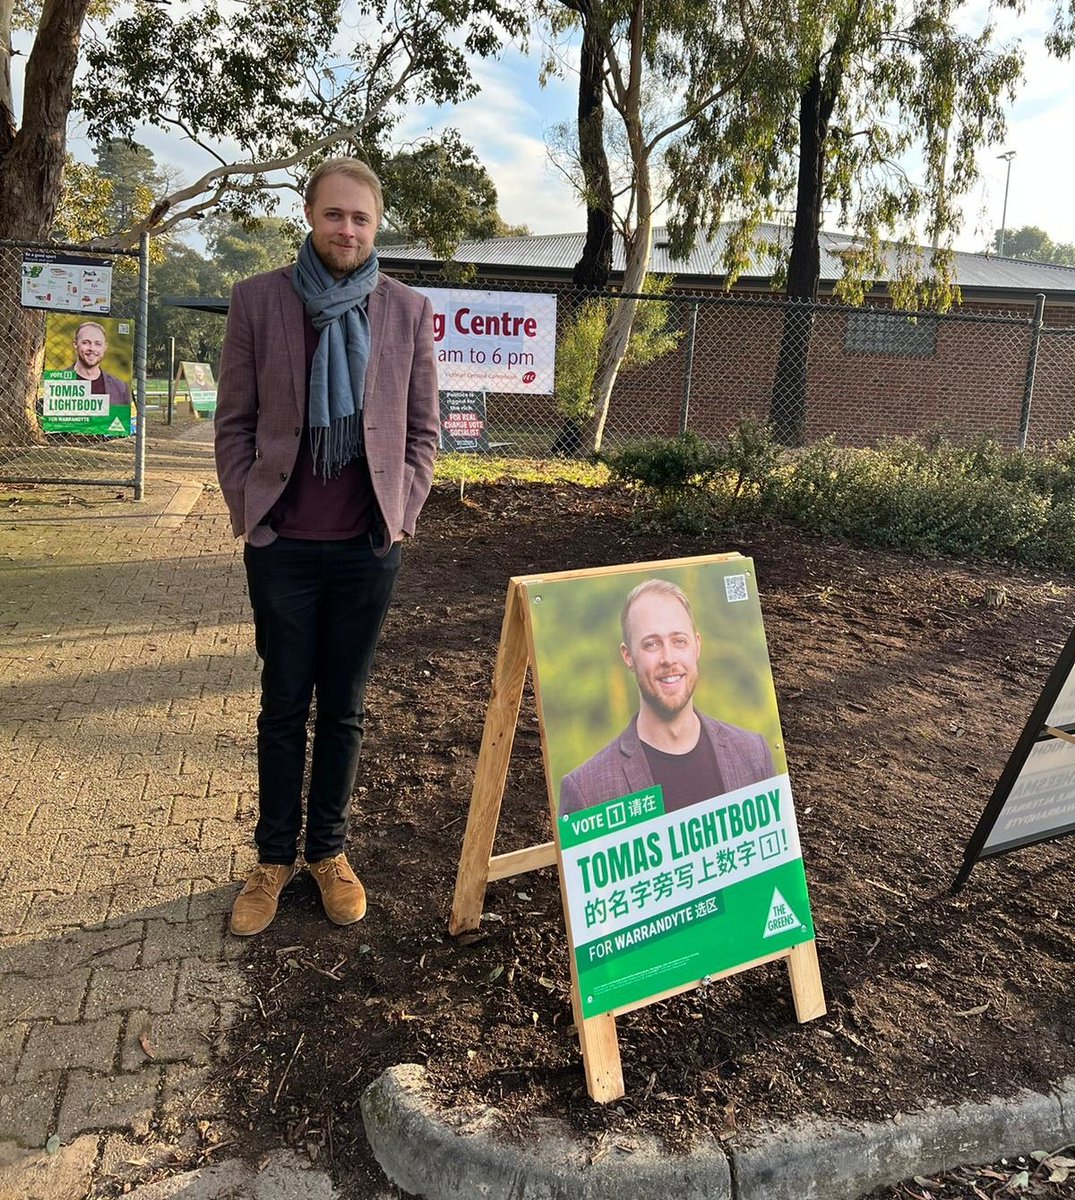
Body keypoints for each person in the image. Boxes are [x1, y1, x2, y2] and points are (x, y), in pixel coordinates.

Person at [214, 158, 439, 937]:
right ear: (309, 215)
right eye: (335, 214)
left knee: (344, 708)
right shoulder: (259, 300)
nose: (348, 229)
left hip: (365, 545)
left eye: (361, 218)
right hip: (281, 544)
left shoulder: (406, 310)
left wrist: (402, 514)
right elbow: (233, 421)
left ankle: (328, 852)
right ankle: (273, 858)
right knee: (283, 704)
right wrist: (249, 510)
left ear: (376, 226)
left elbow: (422, 430)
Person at [559, 579, 775, 817]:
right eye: (651, 644)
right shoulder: (586, 791)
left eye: (679, 641)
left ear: (697, 646)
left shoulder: (754, 754)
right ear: (628, 656)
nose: (668, 658)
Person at [68, 321, 132, 408]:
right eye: (86, 342)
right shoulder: (58, 383)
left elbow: (127, 416)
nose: (92, 348)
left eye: (98, 344)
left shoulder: (120, 387)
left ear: (105, 347)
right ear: (75, 344)